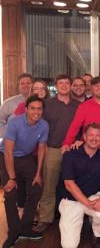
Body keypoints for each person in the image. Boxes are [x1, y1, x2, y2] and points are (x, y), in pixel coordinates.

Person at [0, 95, 49, 248]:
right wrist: (12, 178)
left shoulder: (44, 125)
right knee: (10, 192)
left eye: (39, 108)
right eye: (33, 108)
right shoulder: (15, 122)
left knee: (36, 188)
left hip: (26, 157)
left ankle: (26, 227)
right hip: (6, 157)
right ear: (26, 109)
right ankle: (14, 232)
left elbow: (41, 148)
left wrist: (37, 173)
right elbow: (8, 152)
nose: (36, 111)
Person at [59, 123, 100, 248]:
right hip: (71, 200)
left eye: (97, 136)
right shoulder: (70, 154)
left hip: (92, 196)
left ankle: (97, 234)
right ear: (84, 136)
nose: (94, 138)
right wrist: (86, 203)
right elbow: (69, 184)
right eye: (90, 135)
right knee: (69, 246)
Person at [35, 74, 80, 232]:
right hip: (53, 149)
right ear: (56, 85)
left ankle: (73, 216)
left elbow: (82, 127)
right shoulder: (47, 104)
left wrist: (78, 141)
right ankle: (45, 218)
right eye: (60, 83)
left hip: (73, 150)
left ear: (71, 85)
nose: (64, 85)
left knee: (73, 184)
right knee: (49, 184)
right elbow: (40, 127)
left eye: (67, 83)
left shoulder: (78, 105)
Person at [62, 76, 100, 151]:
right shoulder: (83, 106)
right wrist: (67, 143)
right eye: (96, 86)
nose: (99, 88)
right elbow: (74, 126)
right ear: (91, 88)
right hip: (89, 150)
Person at [0, 73, 33, 137]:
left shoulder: (41, 102)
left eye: (28, 83)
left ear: (33, 85)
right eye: (22, 83)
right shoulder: (8, 103)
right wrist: (9, 134)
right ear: (18, 86)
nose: (25, 85)